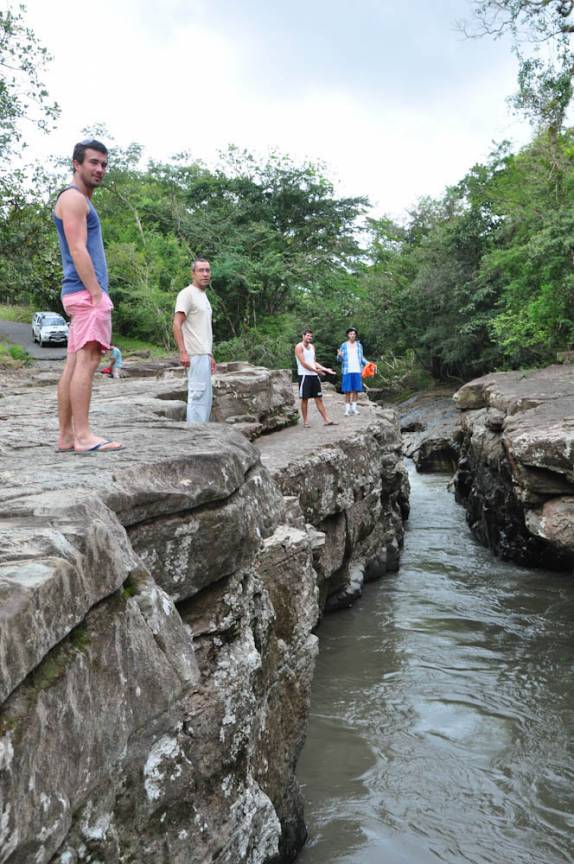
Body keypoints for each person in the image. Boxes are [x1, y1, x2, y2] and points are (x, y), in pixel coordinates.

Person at [53, 139, 123, 453]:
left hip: (78, 293)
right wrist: (97, 294)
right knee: (89, 360)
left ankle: (67, 436)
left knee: (73, 364)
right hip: (85, 293)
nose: (99, 169)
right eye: (93, 162)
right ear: (76, 164)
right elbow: (78, 248)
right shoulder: (74, 199)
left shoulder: (78, 200)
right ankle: (83, 436)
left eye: (104, 164)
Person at [173, 257, 217, 423]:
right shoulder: (187, 294)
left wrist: (210, 354)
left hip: (203, 355)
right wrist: (183, 352)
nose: (205, 274)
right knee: (197, 398)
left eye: (207, 270)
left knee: (206, 399)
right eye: (201, 270)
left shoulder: (203, 296)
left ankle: (202, 433)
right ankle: (195, 436)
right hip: (194, 355)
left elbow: (203, 329)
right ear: (193, 273)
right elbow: (177, 324)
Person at [295, 328, 337, 428]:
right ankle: (305, 421)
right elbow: (303, 363)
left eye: (311, 336)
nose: (309, 337)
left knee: (319, 398)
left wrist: (325, 369)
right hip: (304, 375)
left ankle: (327, 420)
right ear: (303, 336)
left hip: (314, 376)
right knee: (305, 399)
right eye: (308, 335)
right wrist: (316, 371)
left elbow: (313, 362)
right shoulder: (299, 347)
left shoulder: (312, 347)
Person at [337, 327, 373, 416]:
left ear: (355, 335)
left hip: (357, 370)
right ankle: (347, 410)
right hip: (347, 370)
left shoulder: (359, 345)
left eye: (354, 334)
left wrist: (369, 363)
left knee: (356, 391)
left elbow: (361, 358)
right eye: (350, 334)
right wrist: (340, 355)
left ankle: (354, 409)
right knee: (347, 391)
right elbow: (339, 359)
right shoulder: (344, 345)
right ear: (348, 335)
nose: (352, 335)